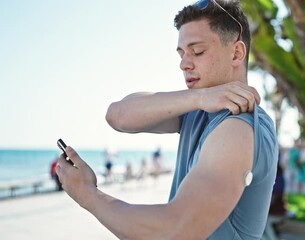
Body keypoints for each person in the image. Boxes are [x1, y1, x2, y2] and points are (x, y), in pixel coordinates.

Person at [56, 1, 278, 239]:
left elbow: (175, 231)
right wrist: (201, 97)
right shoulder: (201, 109)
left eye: (198, 51)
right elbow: (117, 115)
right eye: (182, 54)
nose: (184, 64)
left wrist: (87, 194)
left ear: (236, 53)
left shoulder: (237, 127)